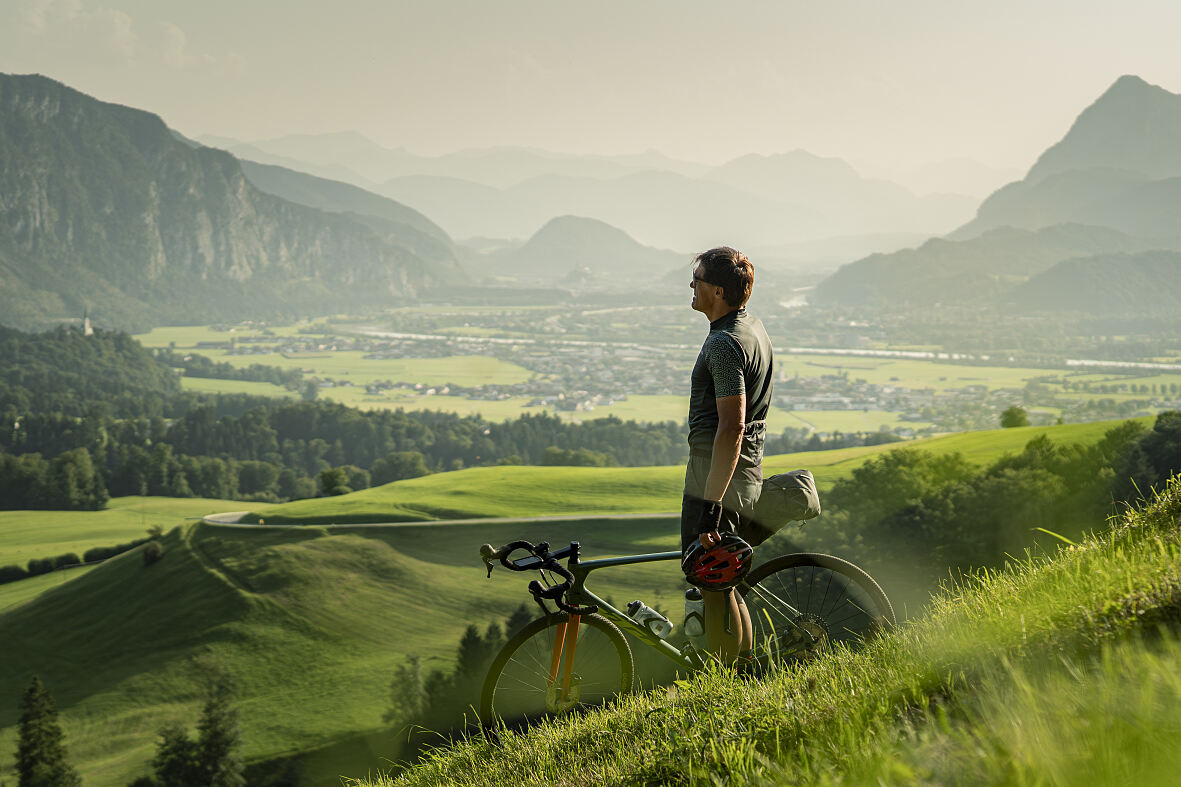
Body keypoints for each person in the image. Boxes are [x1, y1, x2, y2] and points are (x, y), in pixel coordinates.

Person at [681, 246, 774, 664]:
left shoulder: (723, 343)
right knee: (727, 581)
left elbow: (731, 427)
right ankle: (743, 673)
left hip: (716, 476)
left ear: (717, 290)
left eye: (697, 280)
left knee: (712, 583)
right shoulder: (752, 327)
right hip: (744, 469)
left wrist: (712, 506)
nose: (691, 287)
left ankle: (719, 686)